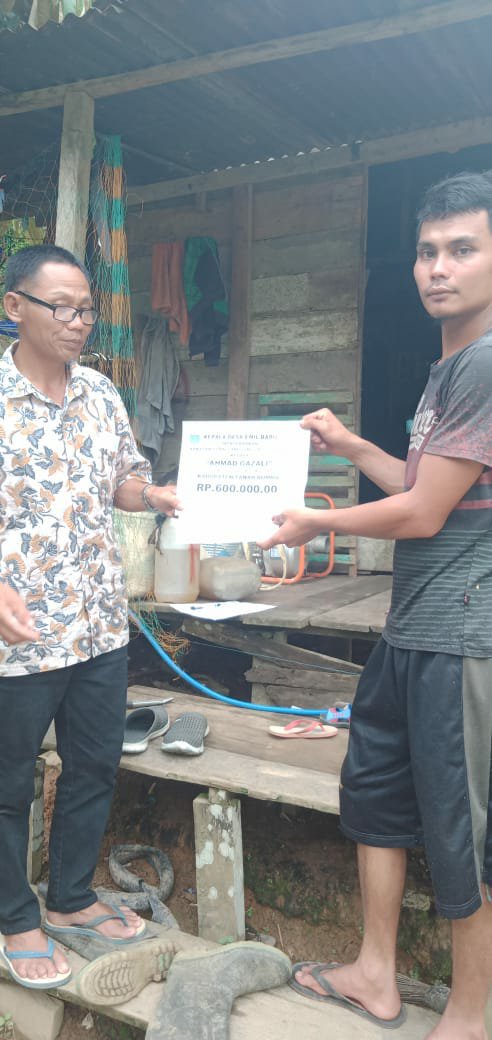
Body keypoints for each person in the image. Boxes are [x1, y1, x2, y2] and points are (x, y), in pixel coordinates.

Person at [260, 170, 492, 1040]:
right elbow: (421, 484)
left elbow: (423, 514)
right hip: (411, 627)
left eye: (463, 249)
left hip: (461, 634)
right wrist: (351, 443)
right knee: (377, 794)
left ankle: (468, 1015)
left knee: (461, 832)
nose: (439, 268)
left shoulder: (486, 362)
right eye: (427, 252)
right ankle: (374, 974)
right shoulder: (447, 370)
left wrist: (315, 520)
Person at [0, 244, 180, 989]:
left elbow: (121, 481)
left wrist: (153, 495)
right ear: (15, 307)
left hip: (100, 623)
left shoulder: (101, 393)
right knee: (8, 782)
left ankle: (70, 897)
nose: (78, 322)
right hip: (17, 638)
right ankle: (13, 917)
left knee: (95, 766)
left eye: (86, 310)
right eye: (62, 307)